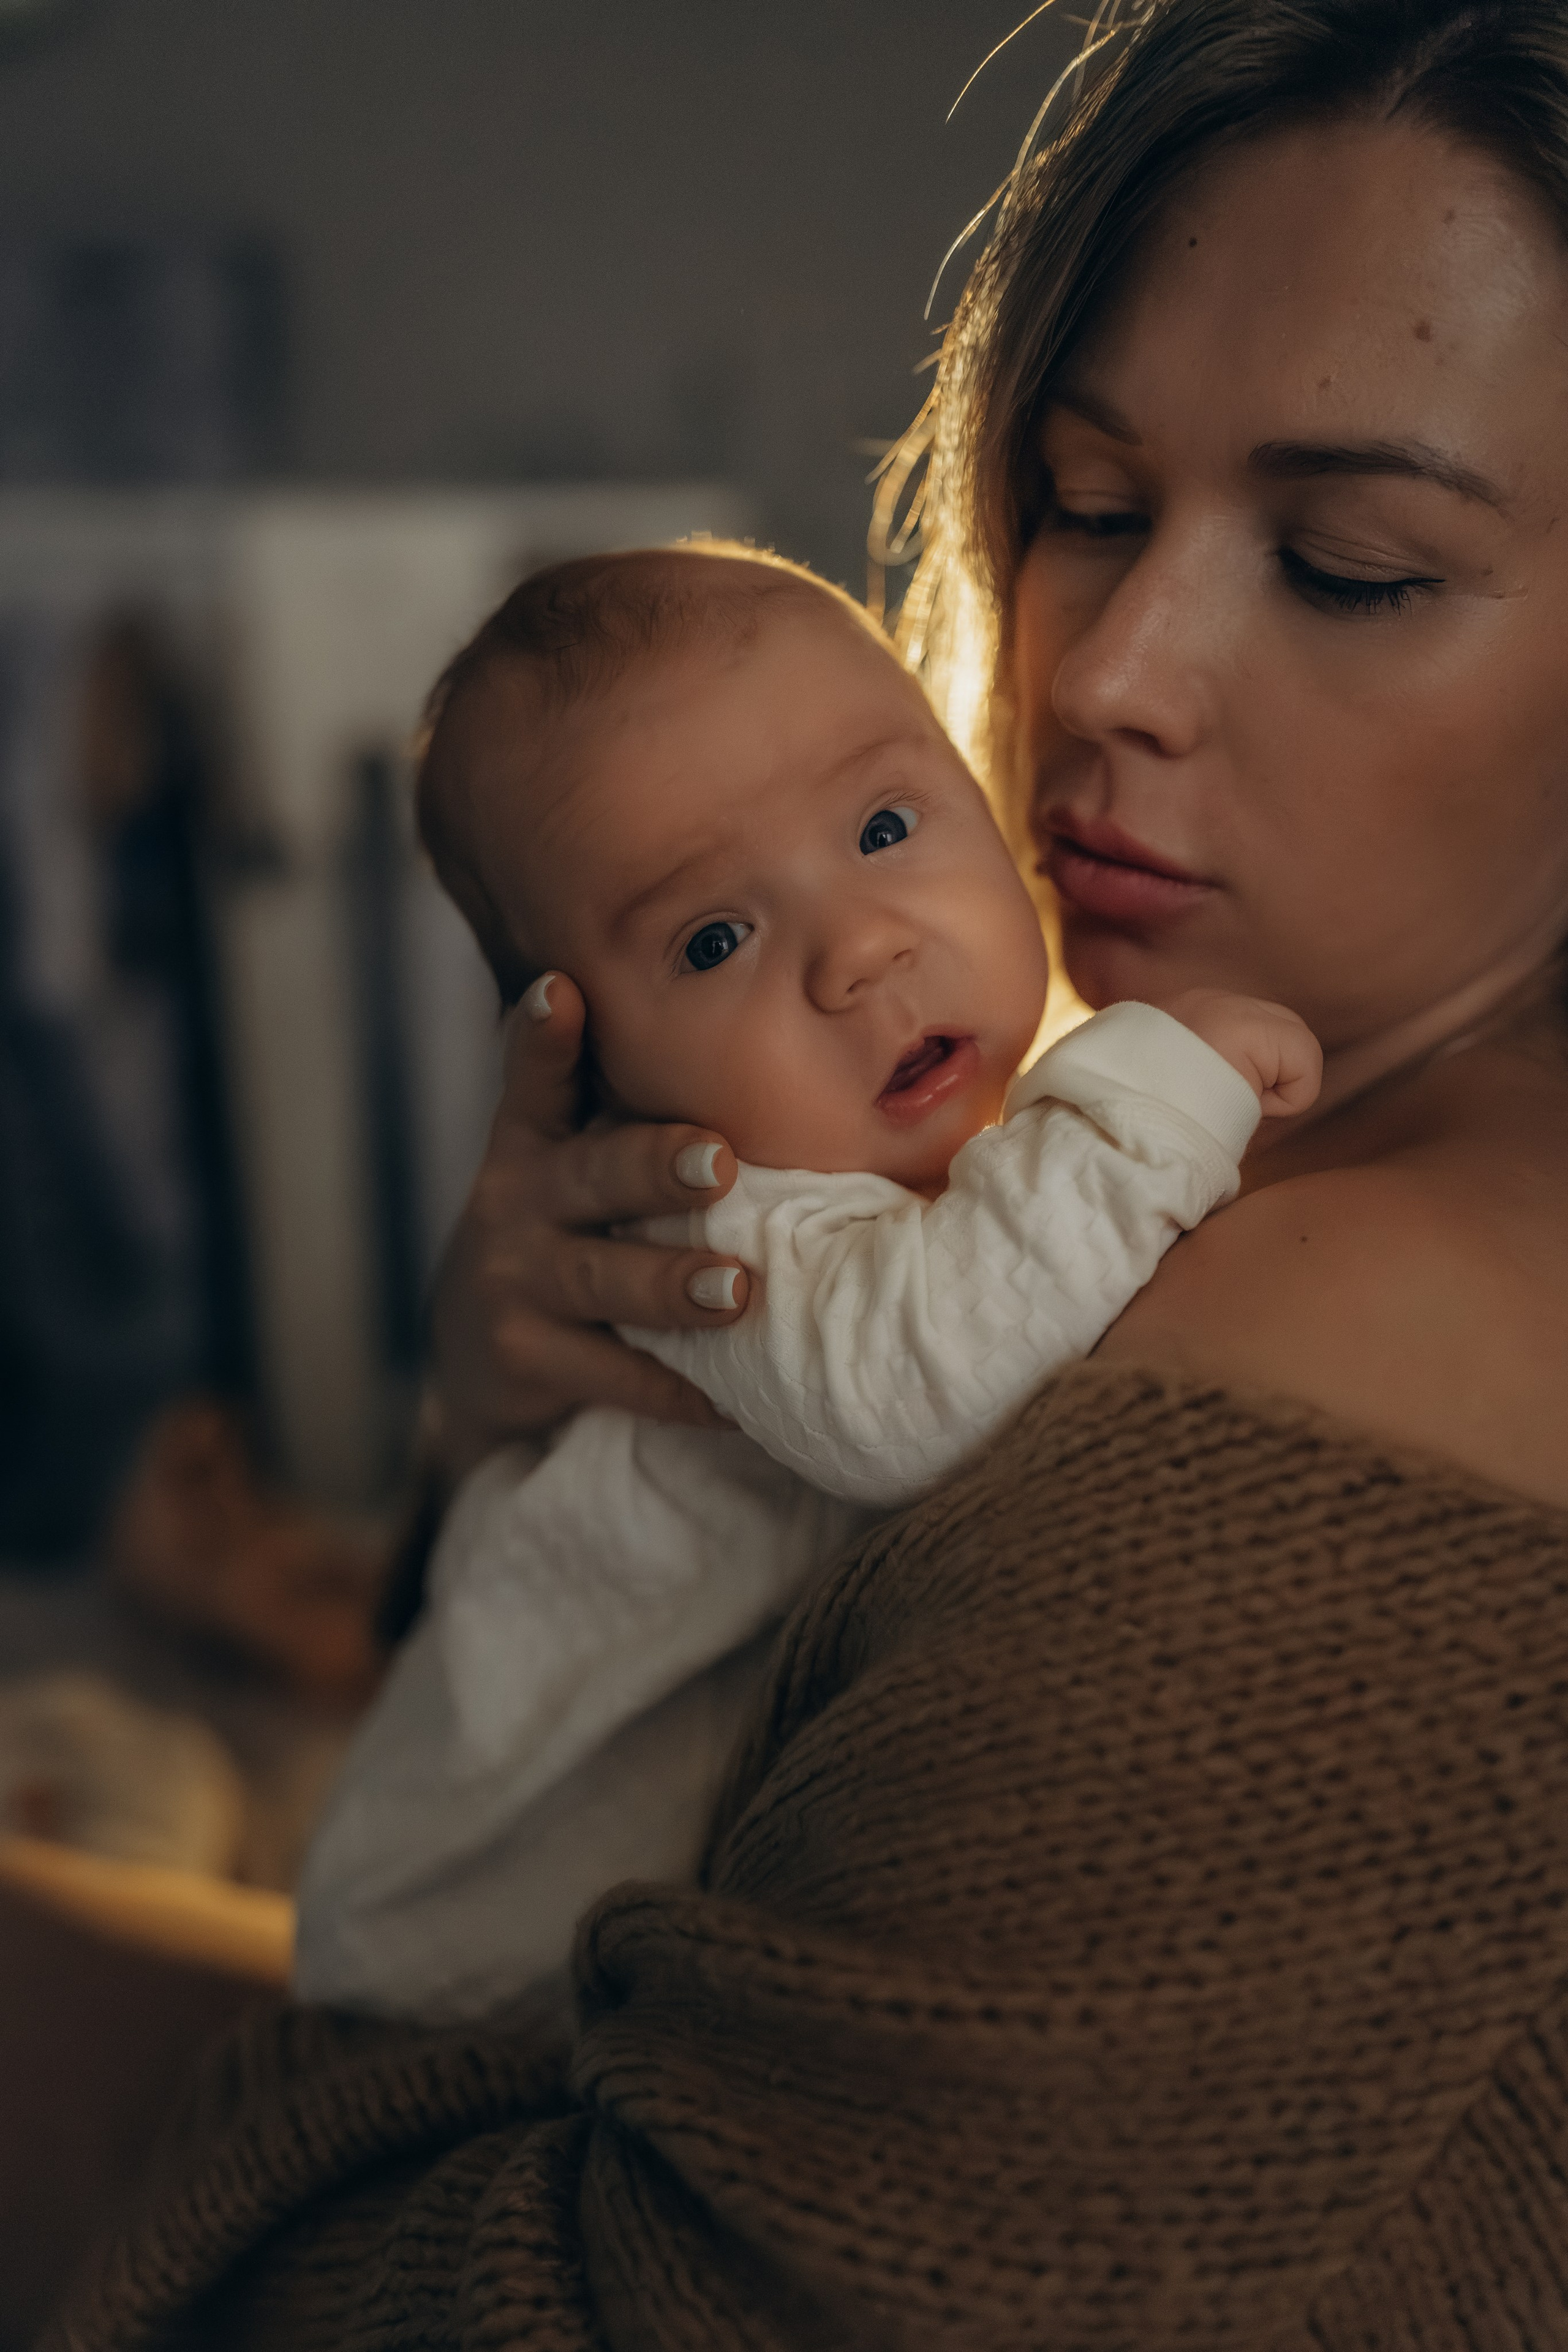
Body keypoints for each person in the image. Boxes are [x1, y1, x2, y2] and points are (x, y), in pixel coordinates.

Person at [45, 1, 1568, 2343]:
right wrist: (505, 1425)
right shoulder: (1193, 1127)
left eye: (1354, 564)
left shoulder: (1301, 1416)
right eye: (1079, 499)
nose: (1111, 672)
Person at [293, 544, 1315, 2024]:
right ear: (594, 1066)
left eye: (887, 823)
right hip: (454, 1947)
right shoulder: (707, 1219)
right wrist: (1162, 1088)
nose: (857, 949)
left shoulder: (949, 1130)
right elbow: (919, 1394)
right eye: (714, 938)